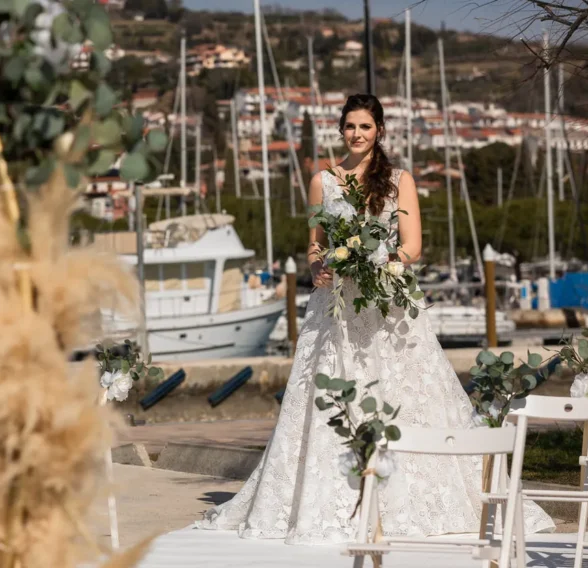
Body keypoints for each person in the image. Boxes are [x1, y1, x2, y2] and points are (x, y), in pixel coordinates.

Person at [195, 94, 554, 543]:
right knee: (331, 395)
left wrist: (378, 264)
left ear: (379, 130)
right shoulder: (322, 181)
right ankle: (331, 501)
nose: (357, 134)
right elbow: (315, 243)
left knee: (402, 393)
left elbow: (413, 246)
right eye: (350, 126)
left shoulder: (400, 180)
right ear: (340, 130)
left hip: (388, 305)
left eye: (365, 126)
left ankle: (409, 497)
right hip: (336, 309)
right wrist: (318, 267)